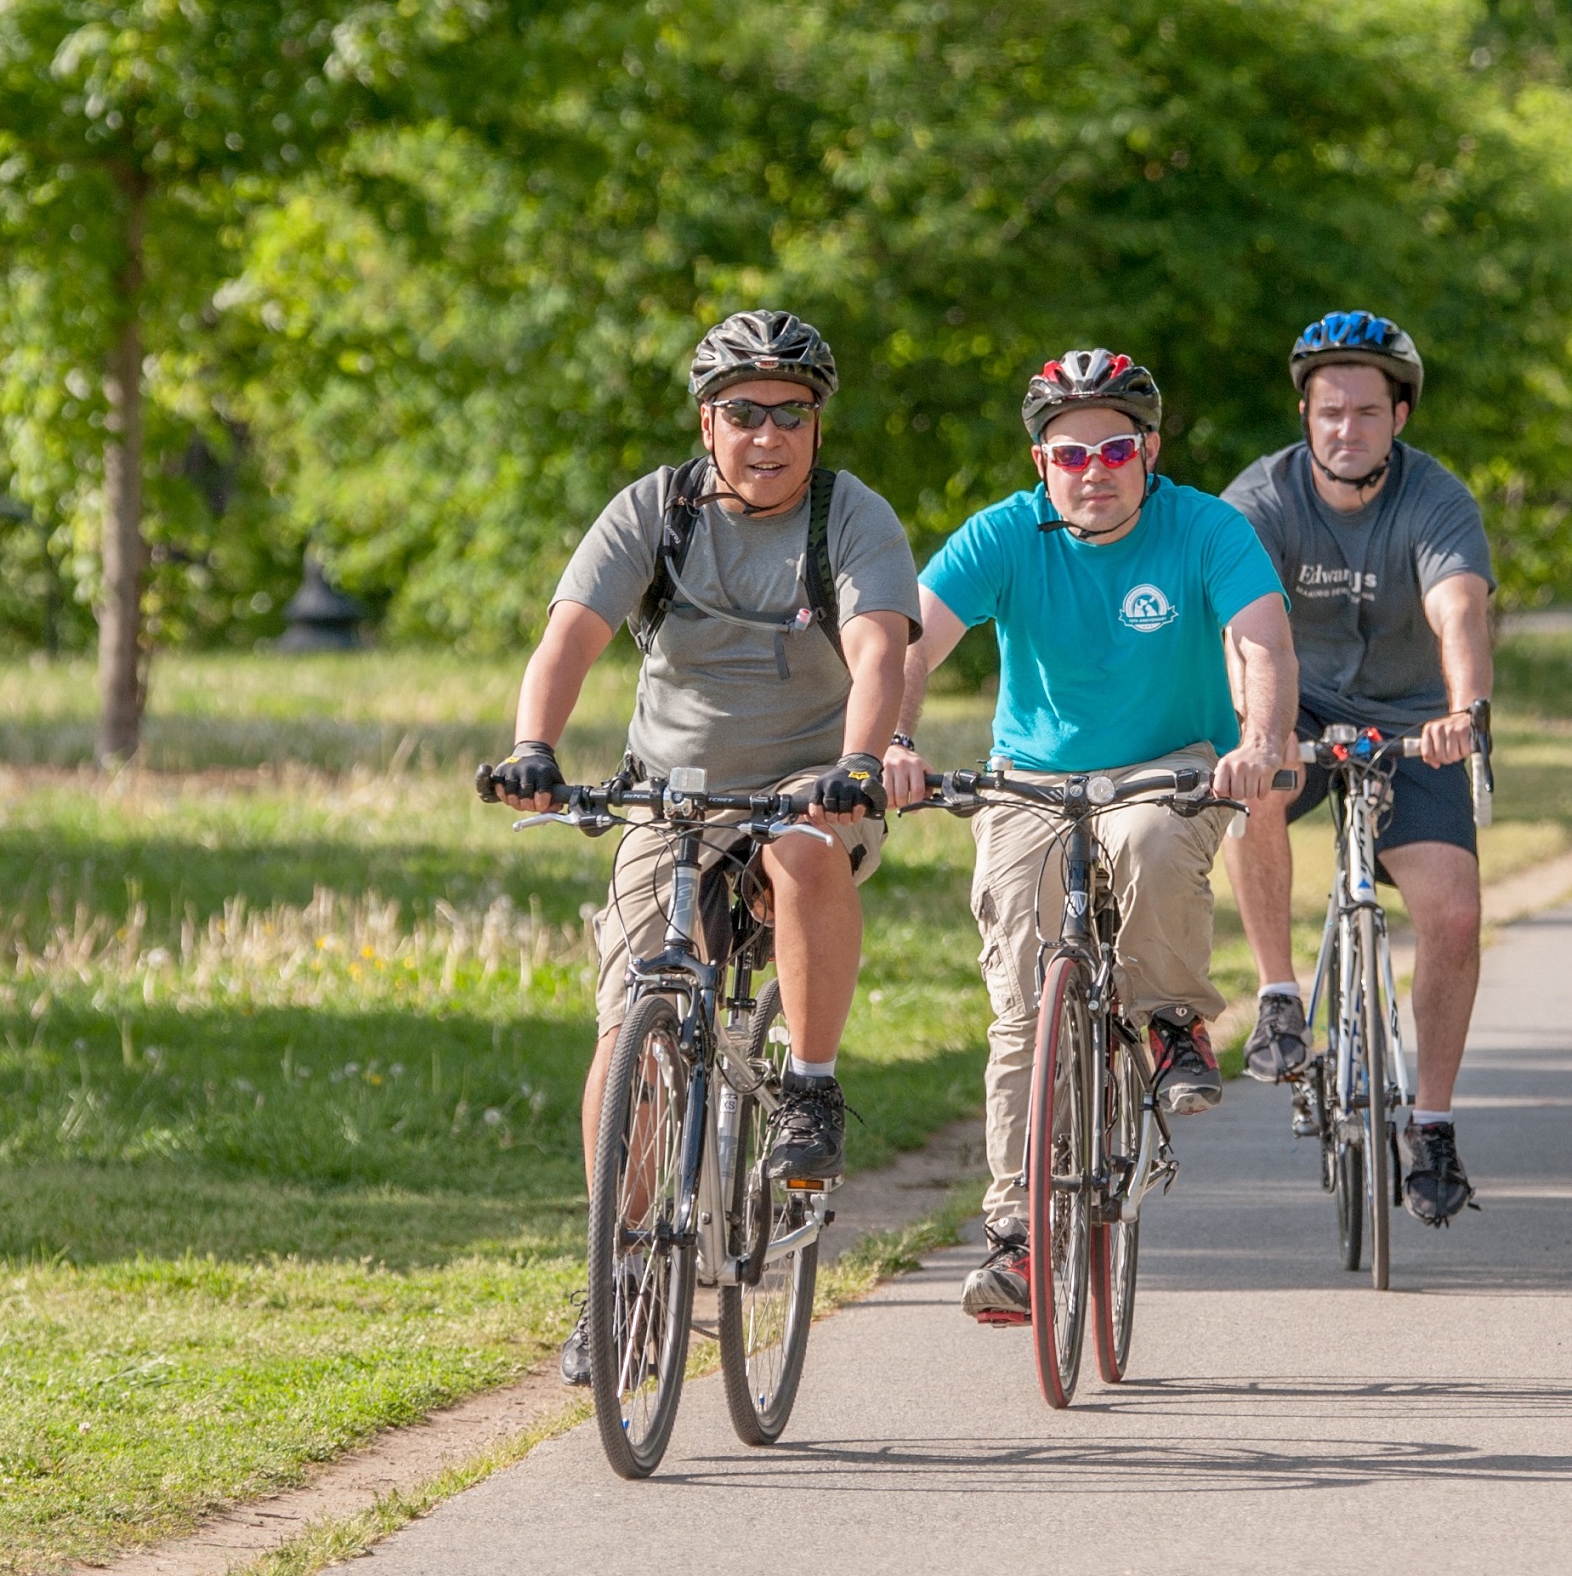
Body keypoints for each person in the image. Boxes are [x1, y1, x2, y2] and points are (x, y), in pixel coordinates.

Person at [489, 311, 920, 1384]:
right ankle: (620, 1274)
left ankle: (810, 1085)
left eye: (790, 413)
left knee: (807, 853)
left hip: (809, 781)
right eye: (742, 413)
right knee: (625, 1020)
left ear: (818, 426)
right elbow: (569, 638)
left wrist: (859, 764)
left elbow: (878, 654)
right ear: (707, 421)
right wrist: (532, 746)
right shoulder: (656, 509)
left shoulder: (851, 519)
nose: (765, 435)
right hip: (669, 792)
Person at [884, 350, 1295, 1325]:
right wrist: (894, 743)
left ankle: (1169, 1024)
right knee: (1023, 1008)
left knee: (1152, 843)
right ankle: (1017, 1238)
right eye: (1070, 454)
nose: (1094, 470)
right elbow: (910, 641)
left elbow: (1263, 639)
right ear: (1041, 462)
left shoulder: (1206, 527)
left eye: (1115, 448)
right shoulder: (1004, 535)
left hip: (1170, 763)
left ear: (1148, 451)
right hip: (1030, 778)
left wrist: (1262, 742)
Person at [1223, 311, 1494, 1227]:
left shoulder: (1436, 499)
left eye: (1368, 413)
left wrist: (1465, 713)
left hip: (1413, 724)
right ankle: (1278, 997)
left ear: (1400, 417)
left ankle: (1437, 1124)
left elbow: (1458, 608)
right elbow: (1238, 626)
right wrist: (1259, 732)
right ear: (1304, 414)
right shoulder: (1257, 500)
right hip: (1293, 706)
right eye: (1330, 411)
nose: (1347, 429)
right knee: (1254, 787)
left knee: (1454, 916)